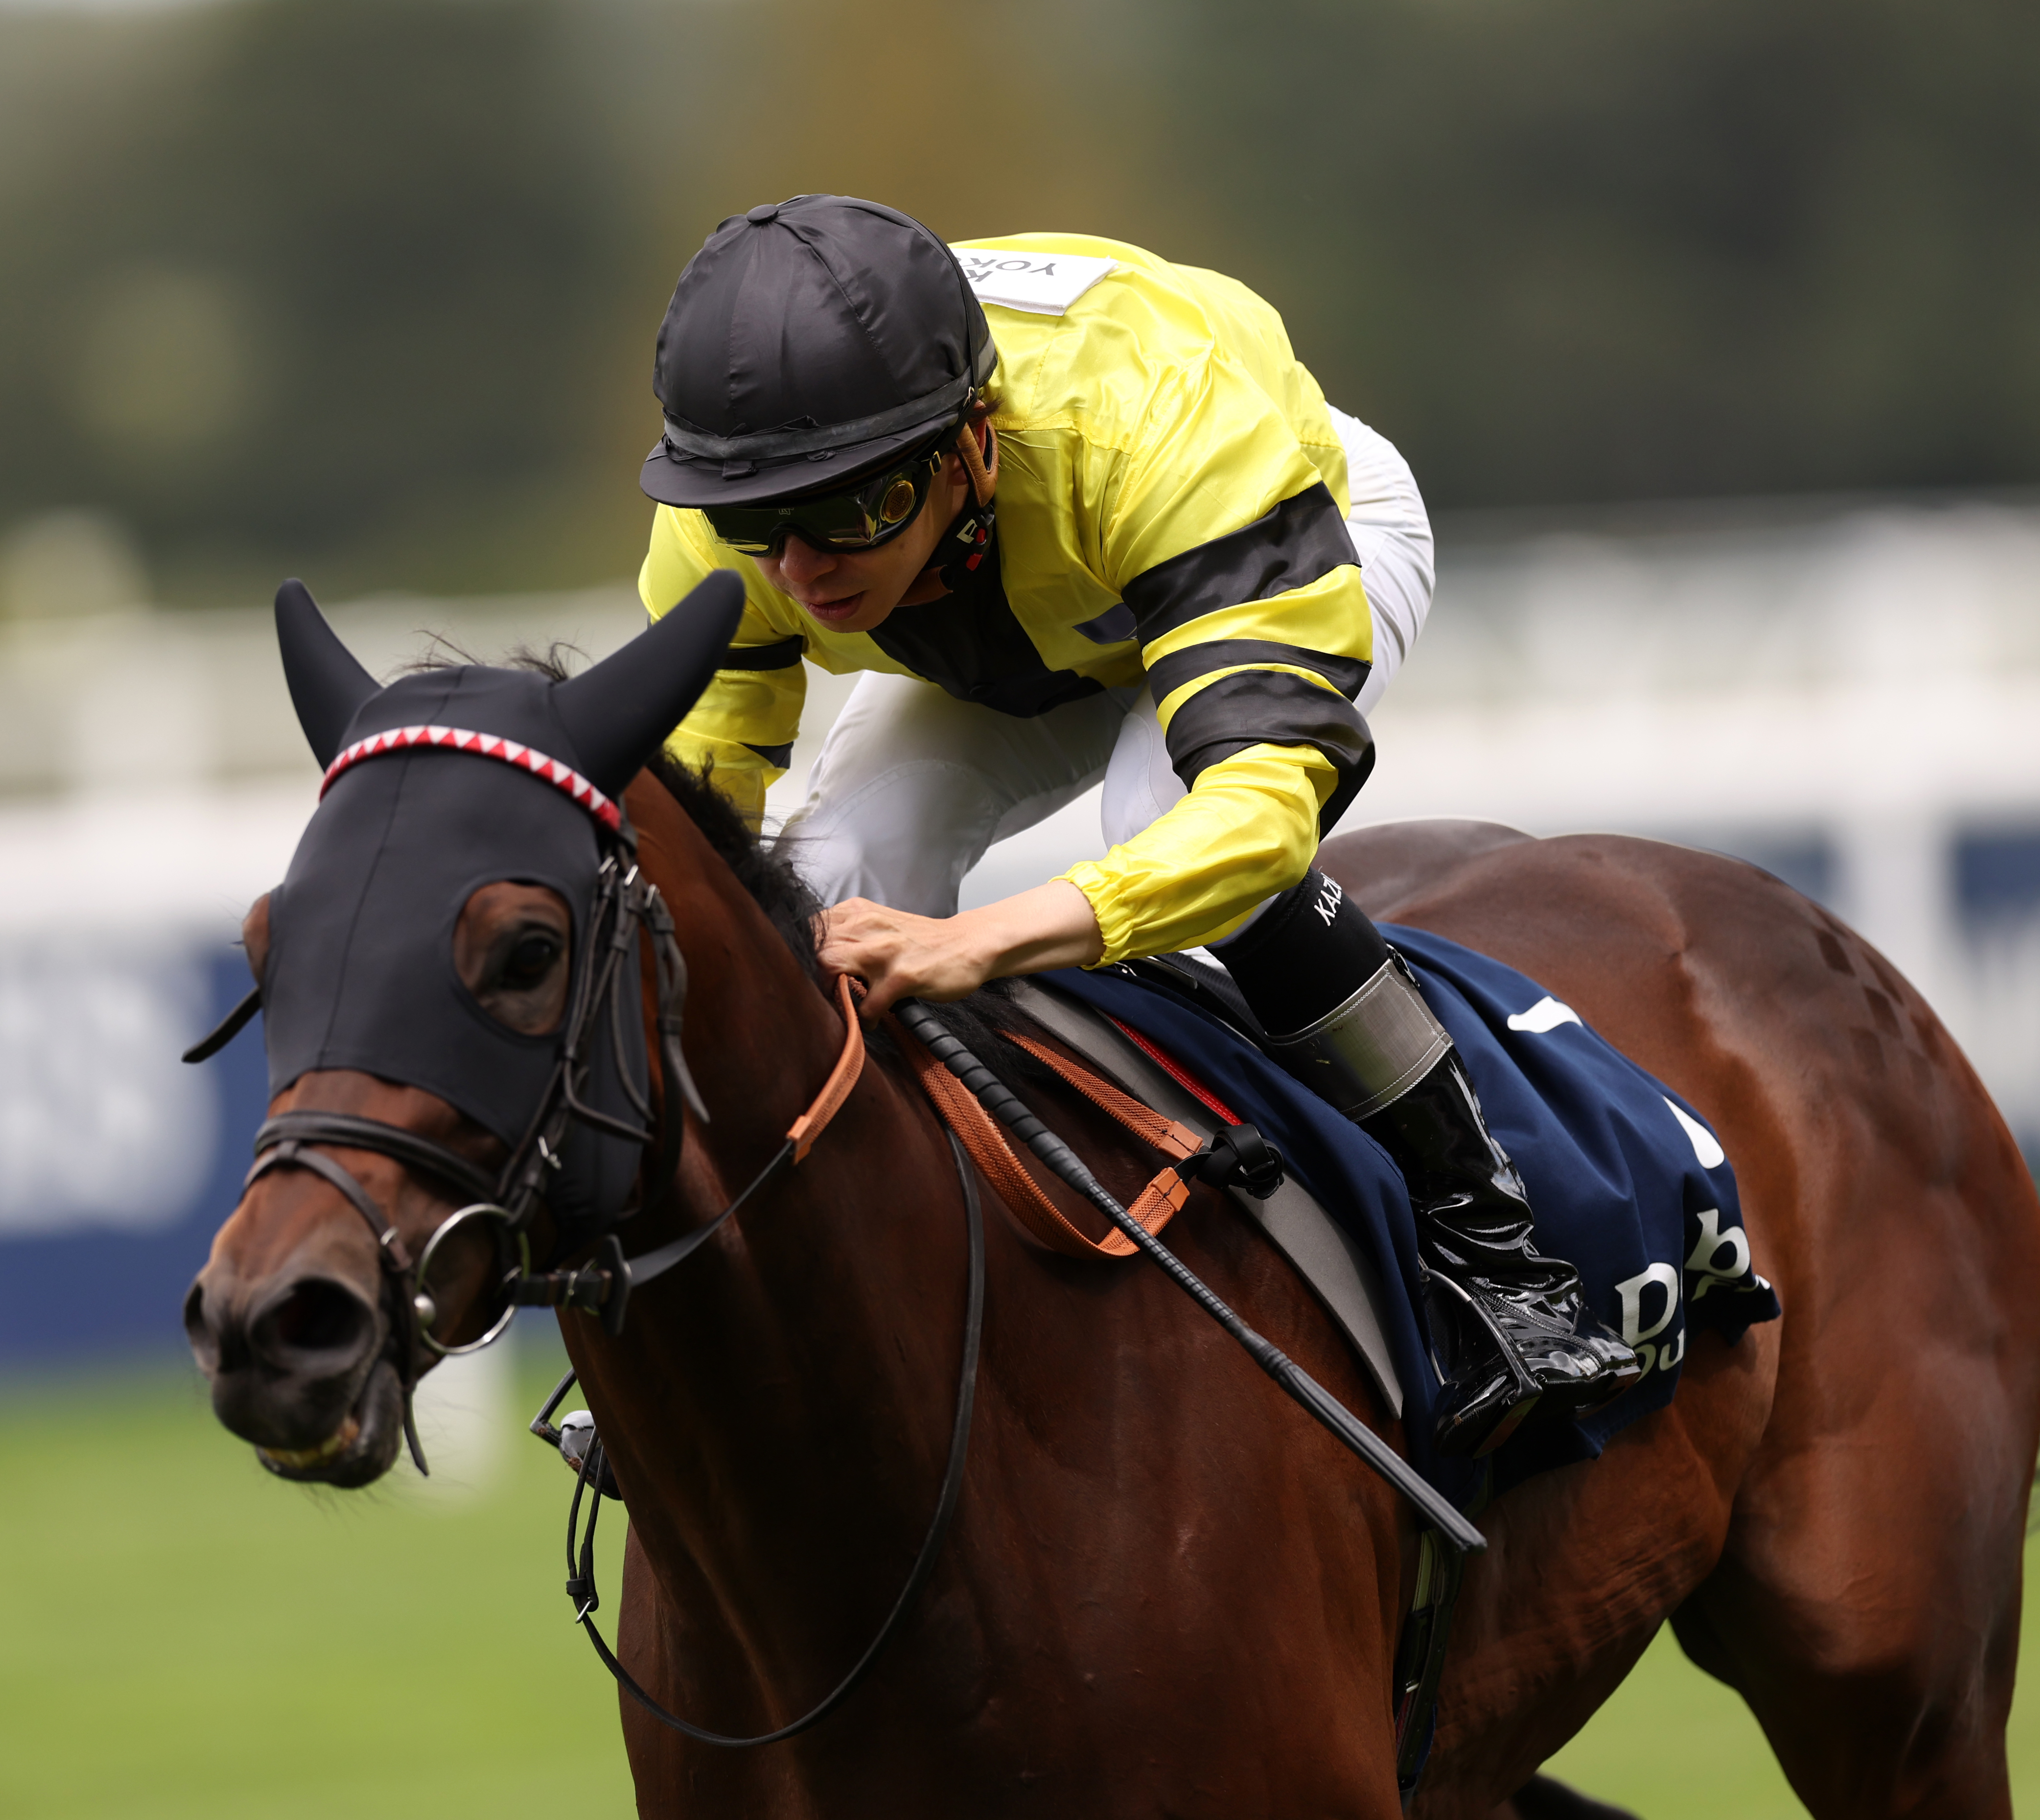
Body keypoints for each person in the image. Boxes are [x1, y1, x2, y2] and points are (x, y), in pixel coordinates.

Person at [635, 196, 1634, 1458]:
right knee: (827, 873)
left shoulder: (1155, 412)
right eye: (758, 527)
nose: (801, 569)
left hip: (1273, 530)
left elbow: (1258, 817)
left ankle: (1506, 1264)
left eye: (852, 510)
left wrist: (983, 943)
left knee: (1163, 820)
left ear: (971, 448)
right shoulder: (735, 510)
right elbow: (694, 839)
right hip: (1008, 619)